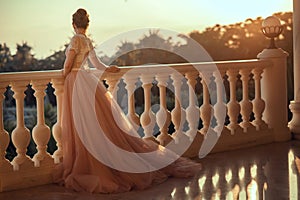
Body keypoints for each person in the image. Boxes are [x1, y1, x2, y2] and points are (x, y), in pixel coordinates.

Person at [54, 8, 201, 193]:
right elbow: (97, 65)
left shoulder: (76, 39)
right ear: (87, 24)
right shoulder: (88, 41)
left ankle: (88, 162)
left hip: (76, 81)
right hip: (87, 80)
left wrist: (63, 75)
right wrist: (111, 68)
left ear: (74, 25)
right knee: (96, 124)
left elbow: (68, 64)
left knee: (82, 124)